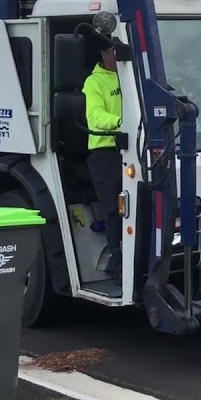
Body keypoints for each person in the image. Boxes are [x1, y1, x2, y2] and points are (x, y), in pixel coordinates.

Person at [82, 41, 124, 275]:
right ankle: (118, 265)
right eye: (115, 54)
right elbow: (95, 116)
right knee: (115, 210)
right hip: (105, 153)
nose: (119, 60)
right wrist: (120, 123)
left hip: (132, 149)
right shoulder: (94, 82)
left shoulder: (129, 75)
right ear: (104, 53)